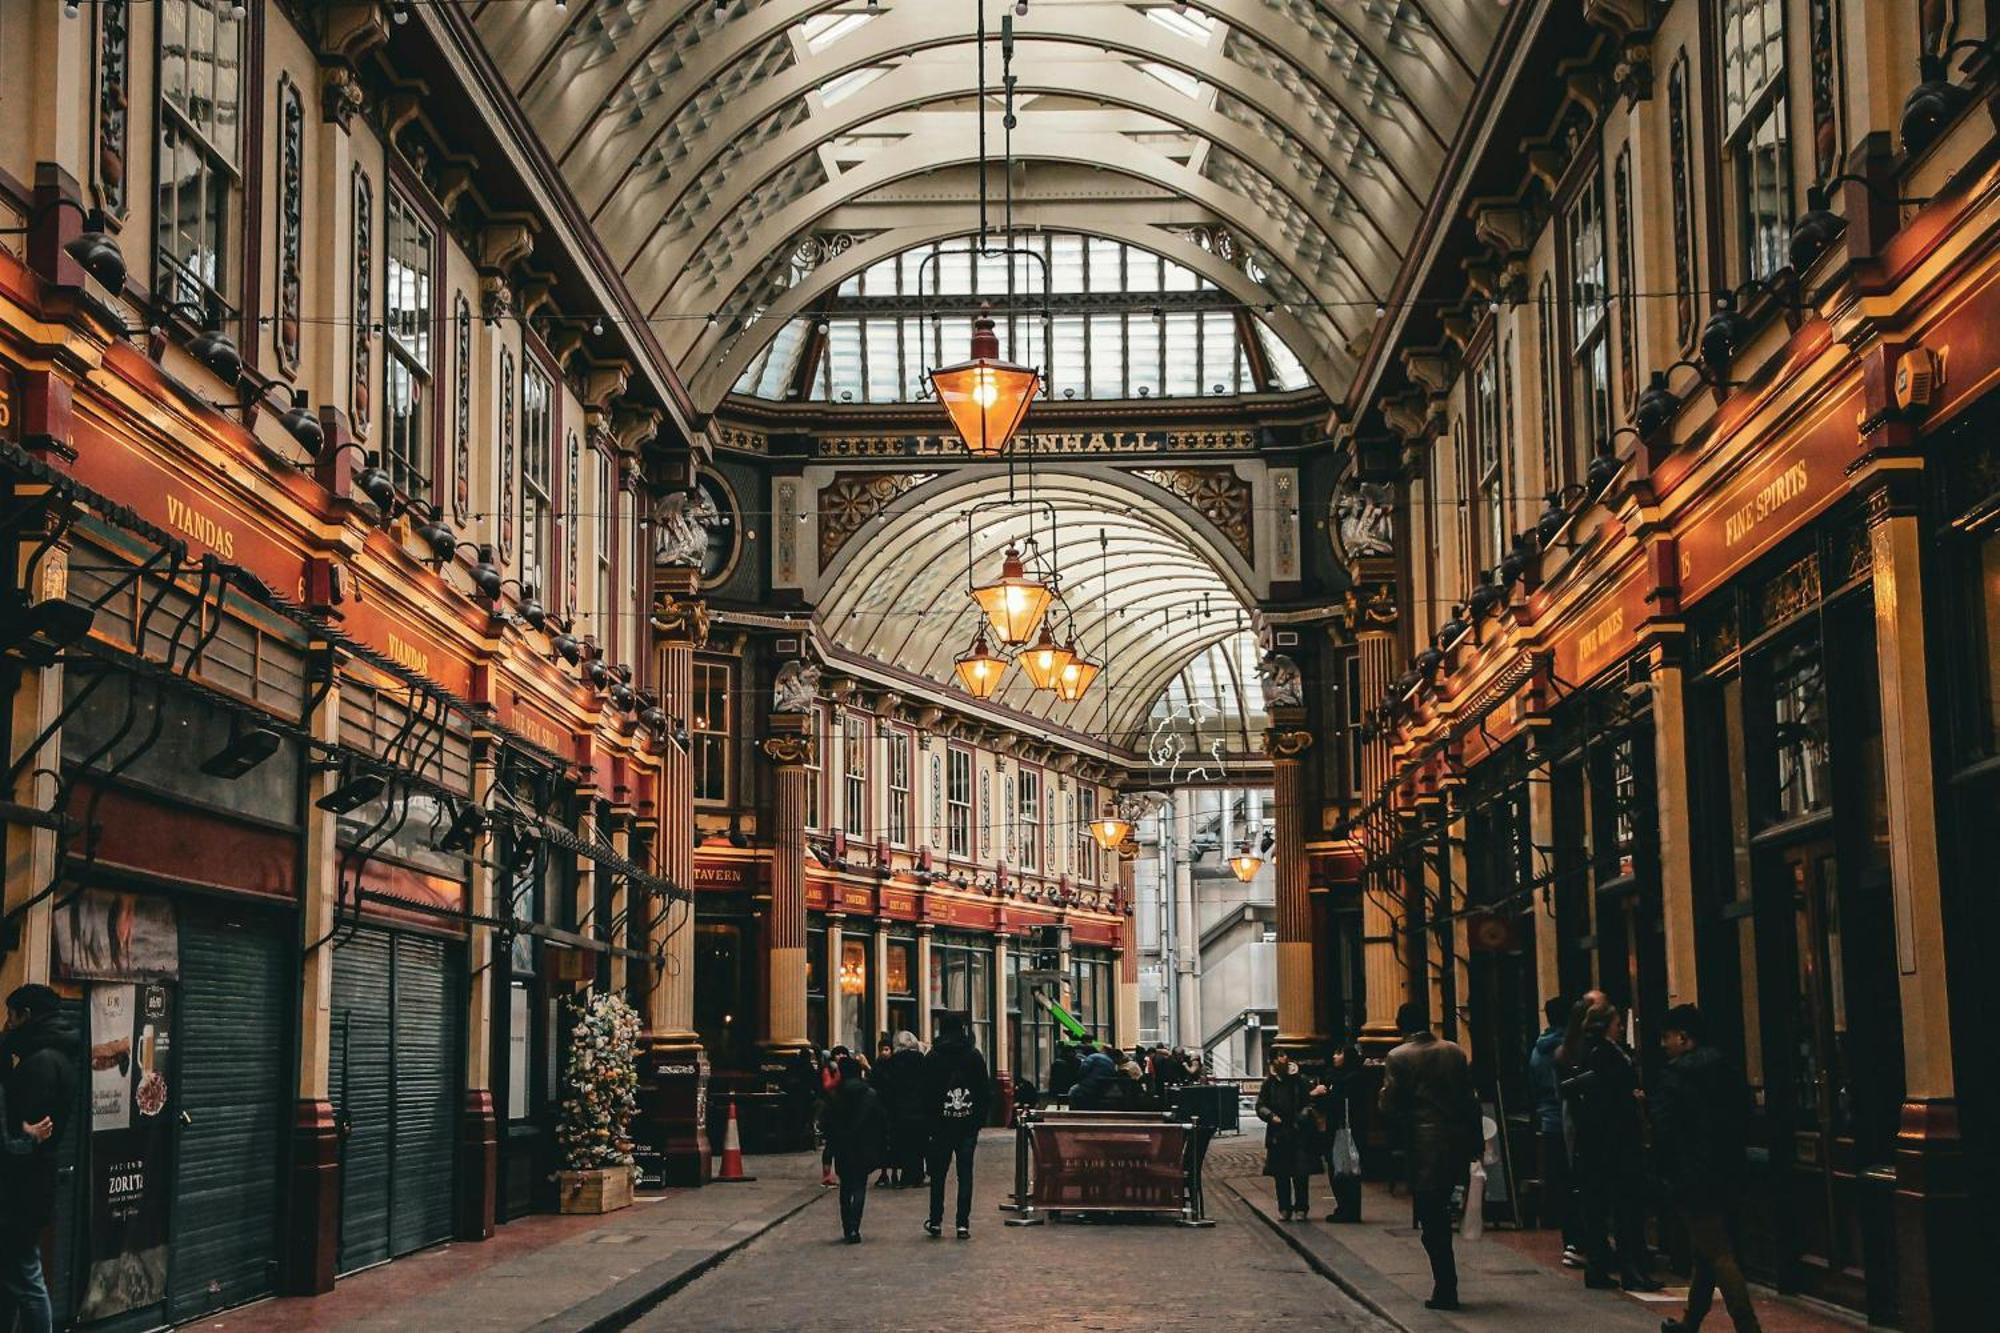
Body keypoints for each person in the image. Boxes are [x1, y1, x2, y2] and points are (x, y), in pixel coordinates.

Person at [1653, 1005, 1761, 1332]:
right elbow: (1746, 1112)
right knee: (1706, 1252)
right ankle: (1691, 1322)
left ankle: (1748, 1326)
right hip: (1729, 1171)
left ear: (1684, 1038)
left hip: (1693, 1178)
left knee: (1718, 1254)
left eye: (1667, 1037)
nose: (1663, 1044)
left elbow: (1664, 1131)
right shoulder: (1726, 1069)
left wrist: (1667, 1174)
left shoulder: (1675, 1079)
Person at [1378, 1001, 1481, 1312]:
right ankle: (1446, 1283)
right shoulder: (1454, 1050)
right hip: (1457, 1143)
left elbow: (1390, 1105)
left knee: (1431, 1220)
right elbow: (1469, 1098)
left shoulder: (1398, 1056)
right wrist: (1476, 1140)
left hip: (1424, 1147)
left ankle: (1446, 1286)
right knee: (1441, 1213)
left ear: (1401, 1025)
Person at [1562, 998, 1661, 1292]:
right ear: (1607, 1026)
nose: (1621, 1029)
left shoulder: (1585, 1050)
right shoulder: (1605, 1054)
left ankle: (1600, 1267)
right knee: (1624, 1206)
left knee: (1600, 1207)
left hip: (1597, 1142)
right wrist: (1634, 1099)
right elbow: (1609, 1094)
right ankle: (1629, 1270)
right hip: (1614, 1142)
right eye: (1618, 1024)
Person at [2, 984, 80, 1333]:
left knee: (26, 1279)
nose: (6, 1023)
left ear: (26, 1016)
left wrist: (23, 1133)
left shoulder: (39, 1064)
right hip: (34, 1185)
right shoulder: (59, 1056)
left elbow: (19, 1133)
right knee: (14, 1277)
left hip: (19, 1190)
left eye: (11, 1015)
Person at [921, 1011, 991, 1240]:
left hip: (941, 1126)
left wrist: (931, 1122)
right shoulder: (974, 1056)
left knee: (938, 1175)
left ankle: (936, 1221)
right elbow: (984, 1092)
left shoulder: (933, 1057)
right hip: (967, 1125)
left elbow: (925, 1094)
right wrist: (977, 1121)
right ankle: (963, 1224)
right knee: (965, 1174)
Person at [1529, 996, 1585, 1267]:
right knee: (1576, 1183)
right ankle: (1578, 1241)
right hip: (1568, 1121)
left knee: (1562, 1183)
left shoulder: (1538, 1049)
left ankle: (1569, 1239)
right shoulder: (1570, 1048)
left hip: (1547, 1121)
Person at [822, 1055, 888, 1243]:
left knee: (846, 1186)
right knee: (860, 1186)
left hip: (843, 1146)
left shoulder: (835, 1095)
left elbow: (827, 1123)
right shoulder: (869, 1094)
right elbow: (881, 1120)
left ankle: (846, 1227)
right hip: (864, 1146)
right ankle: (854, 1228)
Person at [1254, 1050, 1323, 1221]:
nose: (1283, 1059)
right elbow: (1261, 1104)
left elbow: (1308, 1103)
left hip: (1297, 1131)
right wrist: (1270, 1116)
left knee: (1300, 1173)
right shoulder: (1269, 1083)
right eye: (1279, 1056)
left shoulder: (1299, 1081)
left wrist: (1301, 1117)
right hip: (1278, 1133)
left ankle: (1301, 1207)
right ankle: (1284, 1207)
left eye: (1284, 1055)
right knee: (1281, 1174)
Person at [873, 1030, 929, 1188]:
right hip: (918, 1109)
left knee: (903, 1144)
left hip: (899, 1109)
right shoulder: (920, 1059)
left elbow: (889, 1084)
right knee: (917, 1144)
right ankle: (917, 1176)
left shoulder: (894, 1061)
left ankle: (904, 1178)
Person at [1319, 1043, 1368, 1223]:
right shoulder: (1338, 1077)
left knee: (1346, 1170)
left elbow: (1337, 1101)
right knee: (1341, 1169)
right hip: (1340, 1128)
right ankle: (1345, 1208)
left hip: (1346, 1129)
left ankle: (1348, 1209)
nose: (1334, 1056)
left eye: (1339, 1053)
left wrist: (1325, 1092)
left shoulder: (1350, 1078)